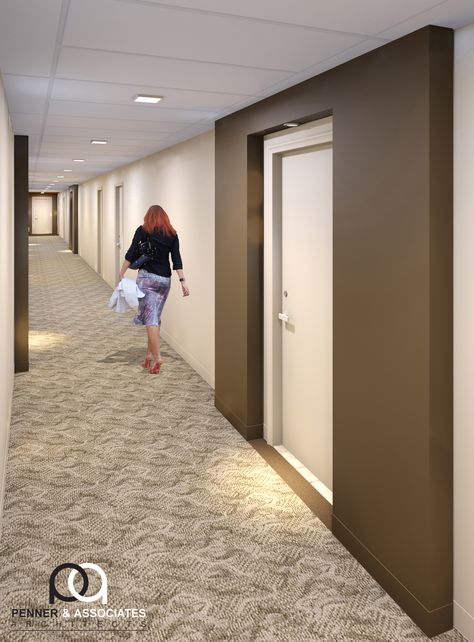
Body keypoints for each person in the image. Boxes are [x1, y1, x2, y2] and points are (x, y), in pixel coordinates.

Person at [119, 205, 189, 374]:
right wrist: (183, 281)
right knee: (155, 317)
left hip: (147, 279)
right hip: (165, 281)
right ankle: (148, 356)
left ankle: (158, 358)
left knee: (150, 320)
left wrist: (121, 273)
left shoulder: (143, 231)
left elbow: (131, 253)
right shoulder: (172, 234)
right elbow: (176, 260)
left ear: (148, 217)